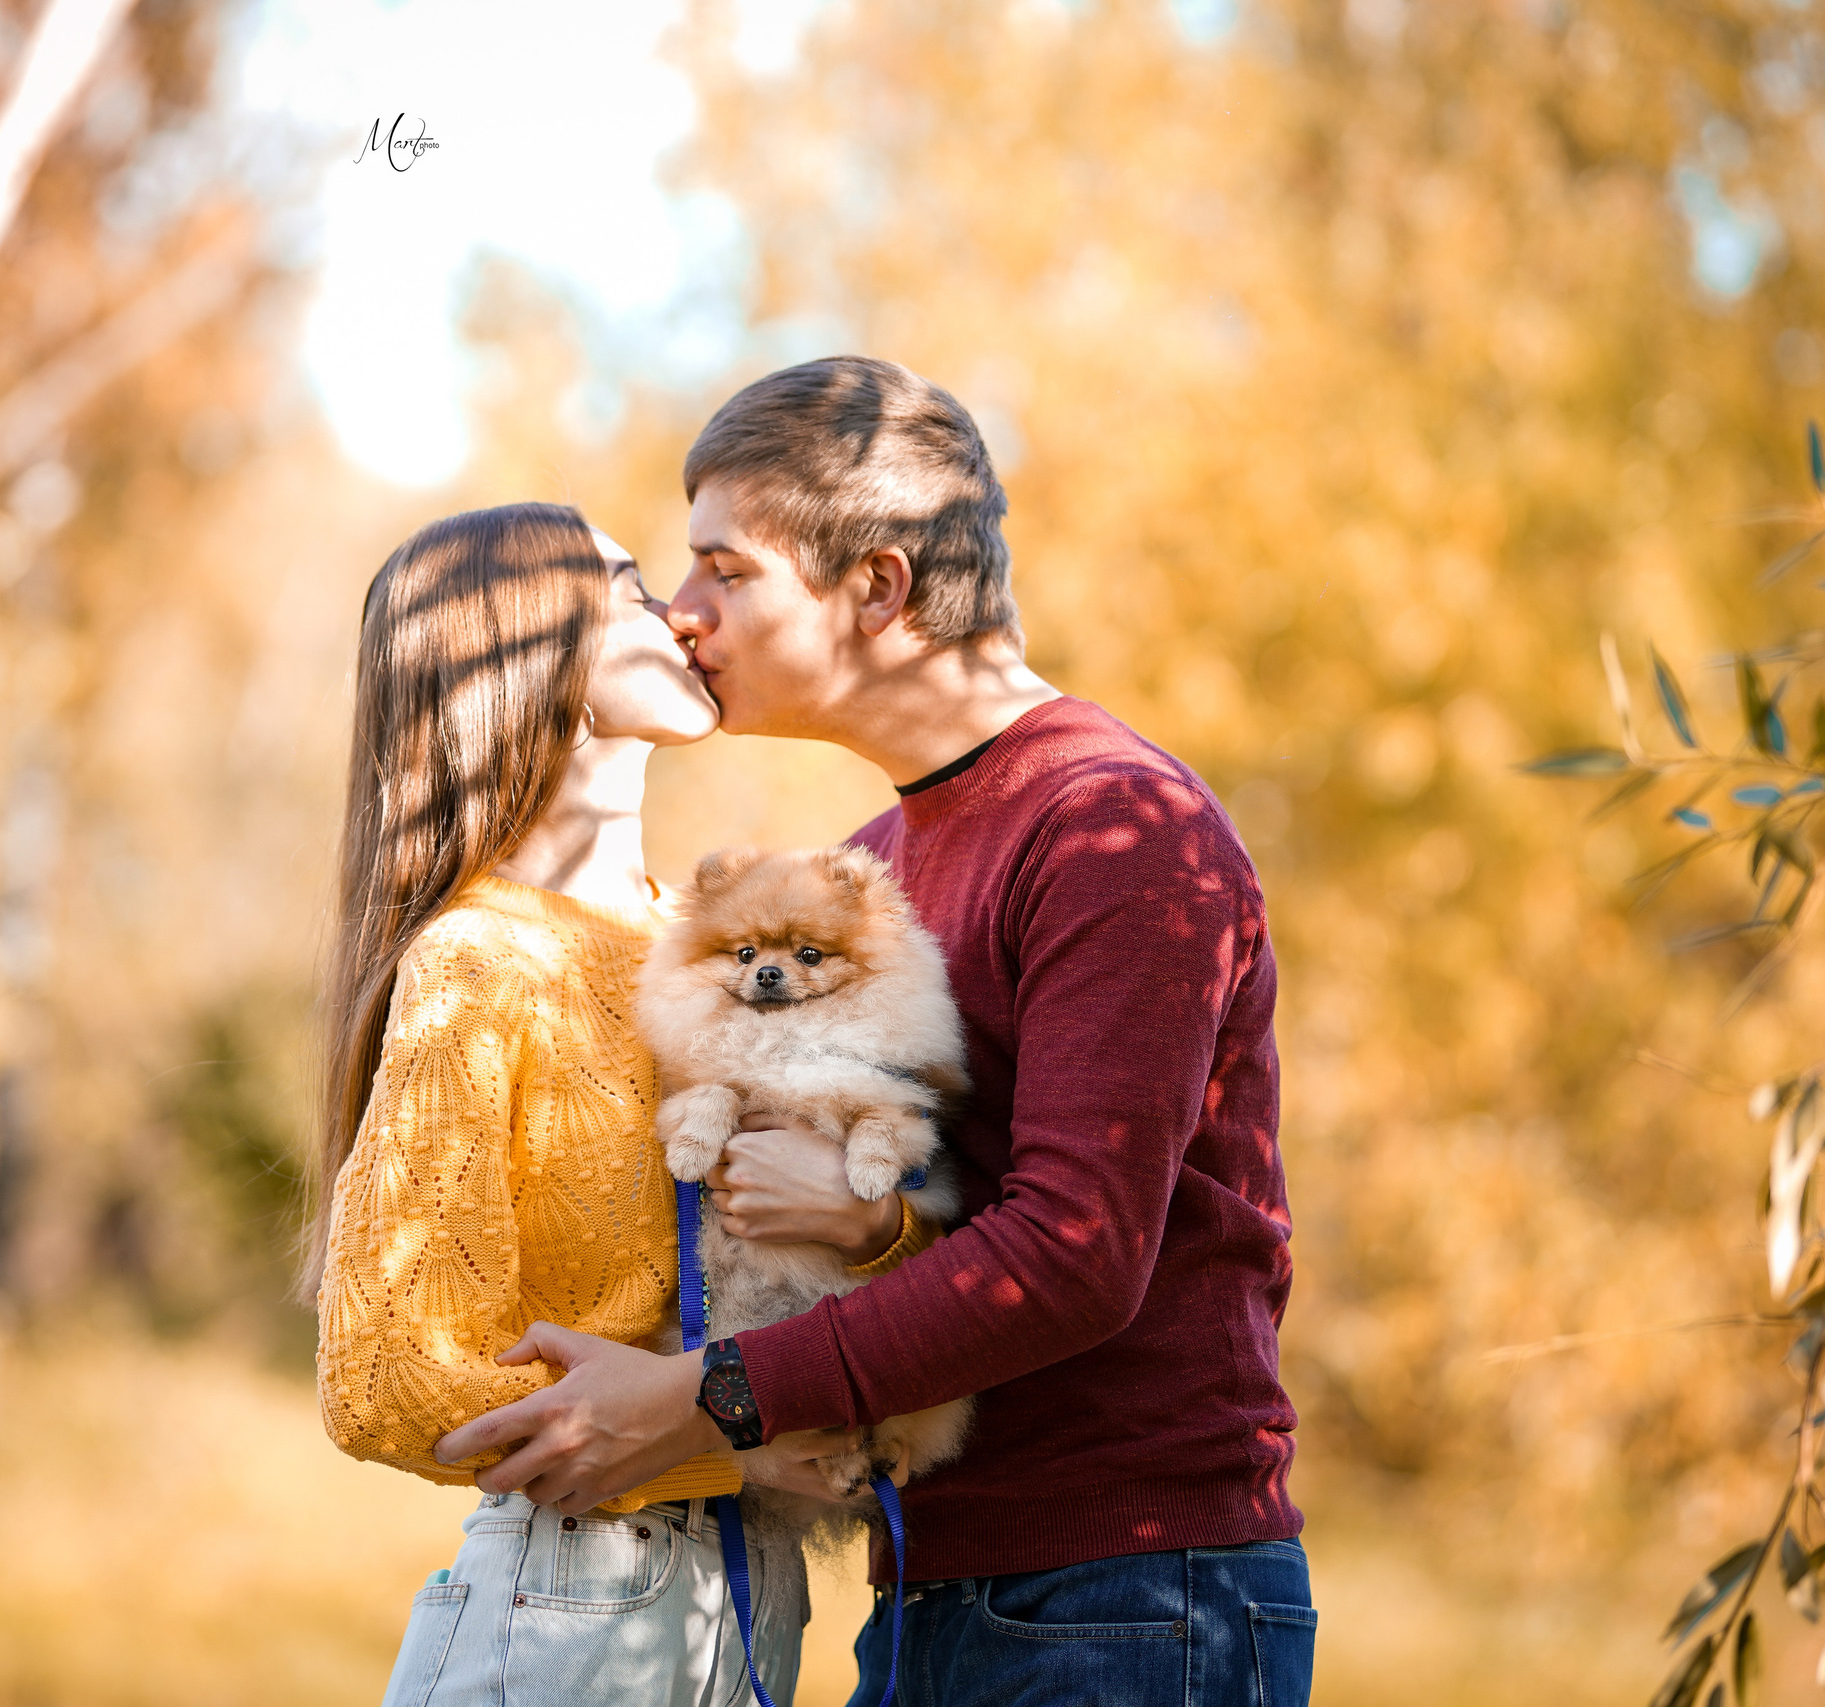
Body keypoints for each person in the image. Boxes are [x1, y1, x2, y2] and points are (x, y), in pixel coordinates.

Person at [431, 360, 1313, 1707]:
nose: (684, 607)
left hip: (1135, 1592)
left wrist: (702, 1397)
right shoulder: (875, 863)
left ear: (878, 589)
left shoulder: (1118, 830)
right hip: (937, 1577)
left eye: (726, 567)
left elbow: (1077, 1254)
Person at [305, 500, 939, 1707]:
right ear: (533, 651)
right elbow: (384, 1377)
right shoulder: (481, 959)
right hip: (577, 1599)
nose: (684, 613)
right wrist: (721, 1431)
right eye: (634, 587)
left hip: (745, 1594)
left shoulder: (689, 941)